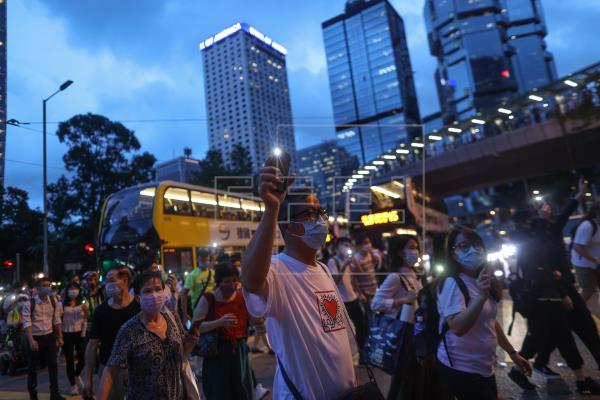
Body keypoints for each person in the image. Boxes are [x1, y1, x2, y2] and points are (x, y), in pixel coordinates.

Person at [242, 162, 356, 399]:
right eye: (308, 214)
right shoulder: (277, 269)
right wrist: (272, 209)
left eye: (320, 212)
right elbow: (251, 282)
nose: (319, 220)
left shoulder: (323, 269)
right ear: (286, 226)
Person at [437, 227, 531, 400]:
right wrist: (480, 297)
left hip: (484, 365)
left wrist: (513, 353)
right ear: (453, 253)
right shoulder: (452, 282)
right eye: (464, 246)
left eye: (476, 244)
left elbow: (490, 322)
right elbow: (457, 327)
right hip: (462, 367)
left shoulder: (480, 278)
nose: (473, 250)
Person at [99, 271, 198, 400]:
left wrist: (190, 345)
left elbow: (180, 355)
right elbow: (111, 371)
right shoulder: (129, 330)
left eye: (158, 289)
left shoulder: (172, 318)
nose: (154, 295)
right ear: (138, 298)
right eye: (147, 291)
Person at [371, 235, 424, 400]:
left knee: (409, 380)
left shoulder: (413, 275)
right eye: (412, 247)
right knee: (403, 380)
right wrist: (403, 300)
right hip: (402, 336)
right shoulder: (395, 277)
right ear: (401, 252)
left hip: (414, 334)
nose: (416, 251)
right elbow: (376, 304)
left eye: (416, 247)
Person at [193, 262, 254, 399]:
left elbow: (255, 319)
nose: (232, 284)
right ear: (218, 282)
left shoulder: (242, 297)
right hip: (217, 354)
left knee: (242, 390)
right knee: (220, 391)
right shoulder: (209, 299)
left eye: (234, 280)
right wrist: (219, 323)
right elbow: (196, 327)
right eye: (227, 281)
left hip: (239, 352)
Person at [84, 267, 139, 400]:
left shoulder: (139, 307)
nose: (107, 285)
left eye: (112, 280)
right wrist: (88, 378)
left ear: (124, 280)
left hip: (137, 368)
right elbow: (92, 345)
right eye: (107, 281)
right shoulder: (101, 311)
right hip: (108, 370)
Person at [22, 277, 65, 400]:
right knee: (32, 368)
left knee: (53, 365)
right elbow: (27, 323)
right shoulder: (30, 303)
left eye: (49, 285)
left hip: (49, 337)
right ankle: (33, 395)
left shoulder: (53, 301)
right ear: (38, 288)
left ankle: (54, 394)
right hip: (35, 338)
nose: (48, 287)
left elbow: (57, 320)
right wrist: (31, 340)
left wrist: (60, 337)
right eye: (44, 285)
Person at [327, 237, 367, 364]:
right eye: (344, 244)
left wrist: (359, 291)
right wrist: (344, 266)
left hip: (353, 298)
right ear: (337, 247)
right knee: (340, 332)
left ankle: (362, 356)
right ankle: (341, 359)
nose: (347, 247)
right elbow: (335, 282)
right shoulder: (333, 261)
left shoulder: (349, 260)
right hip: (341, 301)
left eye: (349, 245)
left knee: (361, 327)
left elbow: (355, 276)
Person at [62, 282, 89, 396]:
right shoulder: (61, 303)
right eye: (70, 288)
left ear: (79, 290)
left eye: (75, 288)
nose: (73, 290)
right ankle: (73, 386)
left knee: (83, 358)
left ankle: (76, 374)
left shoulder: (83, 301)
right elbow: (58, 318)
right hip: (66, 333)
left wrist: (85, 310)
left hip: (80, 333)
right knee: (69, 361)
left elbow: (87, 316)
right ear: (67, 290)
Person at [572, 202, 600, 305]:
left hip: (597, 262)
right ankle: (575, 310)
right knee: (588, 291)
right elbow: (577, 247)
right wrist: (593, 259)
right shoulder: (587, 226)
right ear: (597, 212)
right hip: (584, 264)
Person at [182, 249, 215, 322]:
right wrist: (184, 313)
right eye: (203, 261)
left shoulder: (213, 273)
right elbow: (184, 294)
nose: (205, 263)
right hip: (198, 310)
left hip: (213, 308)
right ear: (198, 260)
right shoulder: (192, 275)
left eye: (207, 260)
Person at [352, 235, 380, 305]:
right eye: (365, 243)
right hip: (366, 293)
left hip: (375, 289)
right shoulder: (356, 258)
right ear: (359, 246)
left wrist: (374, 257)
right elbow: (354, 278)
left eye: (369, 242)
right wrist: (360, 294)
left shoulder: (370, 254)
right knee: (370, 314)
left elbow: (374, 269)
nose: (368, 245)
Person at [82, 271, 104, 337]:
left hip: (102, 320)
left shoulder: (101, 291)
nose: (92, 281)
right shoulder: (83, 293)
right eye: (90, 279)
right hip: (89, 322)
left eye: (94, 279)